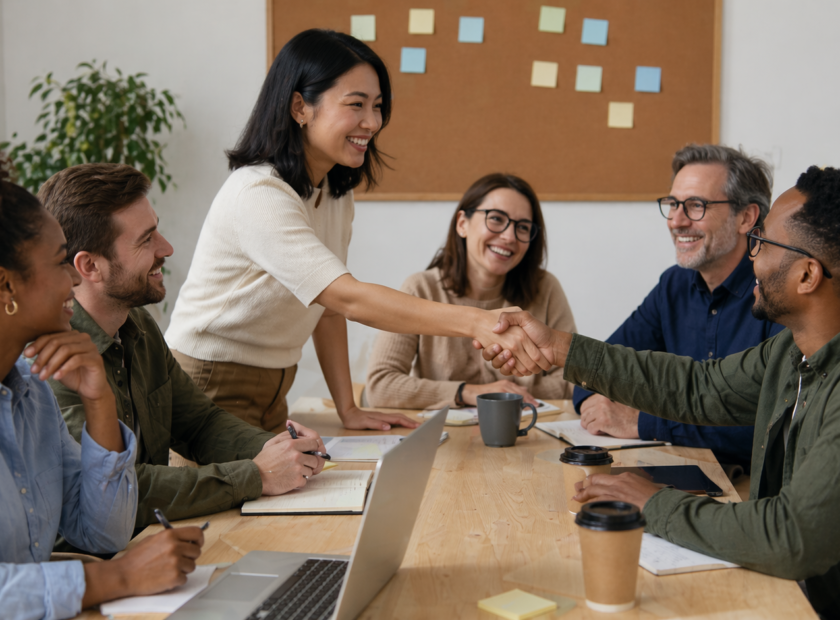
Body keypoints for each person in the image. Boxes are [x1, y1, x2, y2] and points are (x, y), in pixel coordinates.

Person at [480, 166, 840, 618]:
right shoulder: (790, 349)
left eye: (764, 243)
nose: (754, 255)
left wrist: (656, 503)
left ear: (807, 276)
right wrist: (560, 348)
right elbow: (699, 387)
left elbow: (791, 537)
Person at [164, 29, 549, 433]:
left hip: (276, 386)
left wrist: (348, 408)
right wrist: (475, 321)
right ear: (300, 107)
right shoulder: (258, 193)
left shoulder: (334, 193)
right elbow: (346, 297)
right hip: (208, 380)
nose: (373, 122)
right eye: (356, 105)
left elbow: (326, 310)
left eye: (378, 106)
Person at [39, 163, 326, 530]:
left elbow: (199, 424)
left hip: (150, 540)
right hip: (92, 563)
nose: (167, 248)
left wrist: (284, 450)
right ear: (89, 266)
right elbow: (117, 490)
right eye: (146, 239)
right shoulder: (52, 361)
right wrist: (255, 475)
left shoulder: (138, 324)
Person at [0, 171, 205, 619]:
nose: (73, 282)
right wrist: (122, 577)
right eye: (59, 264)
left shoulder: (31, 391)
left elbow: (101, 533)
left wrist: (100, 402)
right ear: (6, 287)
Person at [573, 144, 783, 469]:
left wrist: (644, 422)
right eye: (673, 204)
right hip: (679, 471)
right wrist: (597, 405)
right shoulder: (674, 285)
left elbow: (769, 430)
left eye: (696, 205)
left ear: (746, 217)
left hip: (752, 498)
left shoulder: (777, 293)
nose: (676, 221)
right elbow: (599, 370)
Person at [366, 173, 576, 409]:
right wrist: (468, 392)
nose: (509, 236)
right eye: (496, 218)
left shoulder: (545, 288)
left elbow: (573, 378)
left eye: (523, 227)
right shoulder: (421, 288)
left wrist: (510, 395)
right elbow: (380, 386)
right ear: (462, 224)